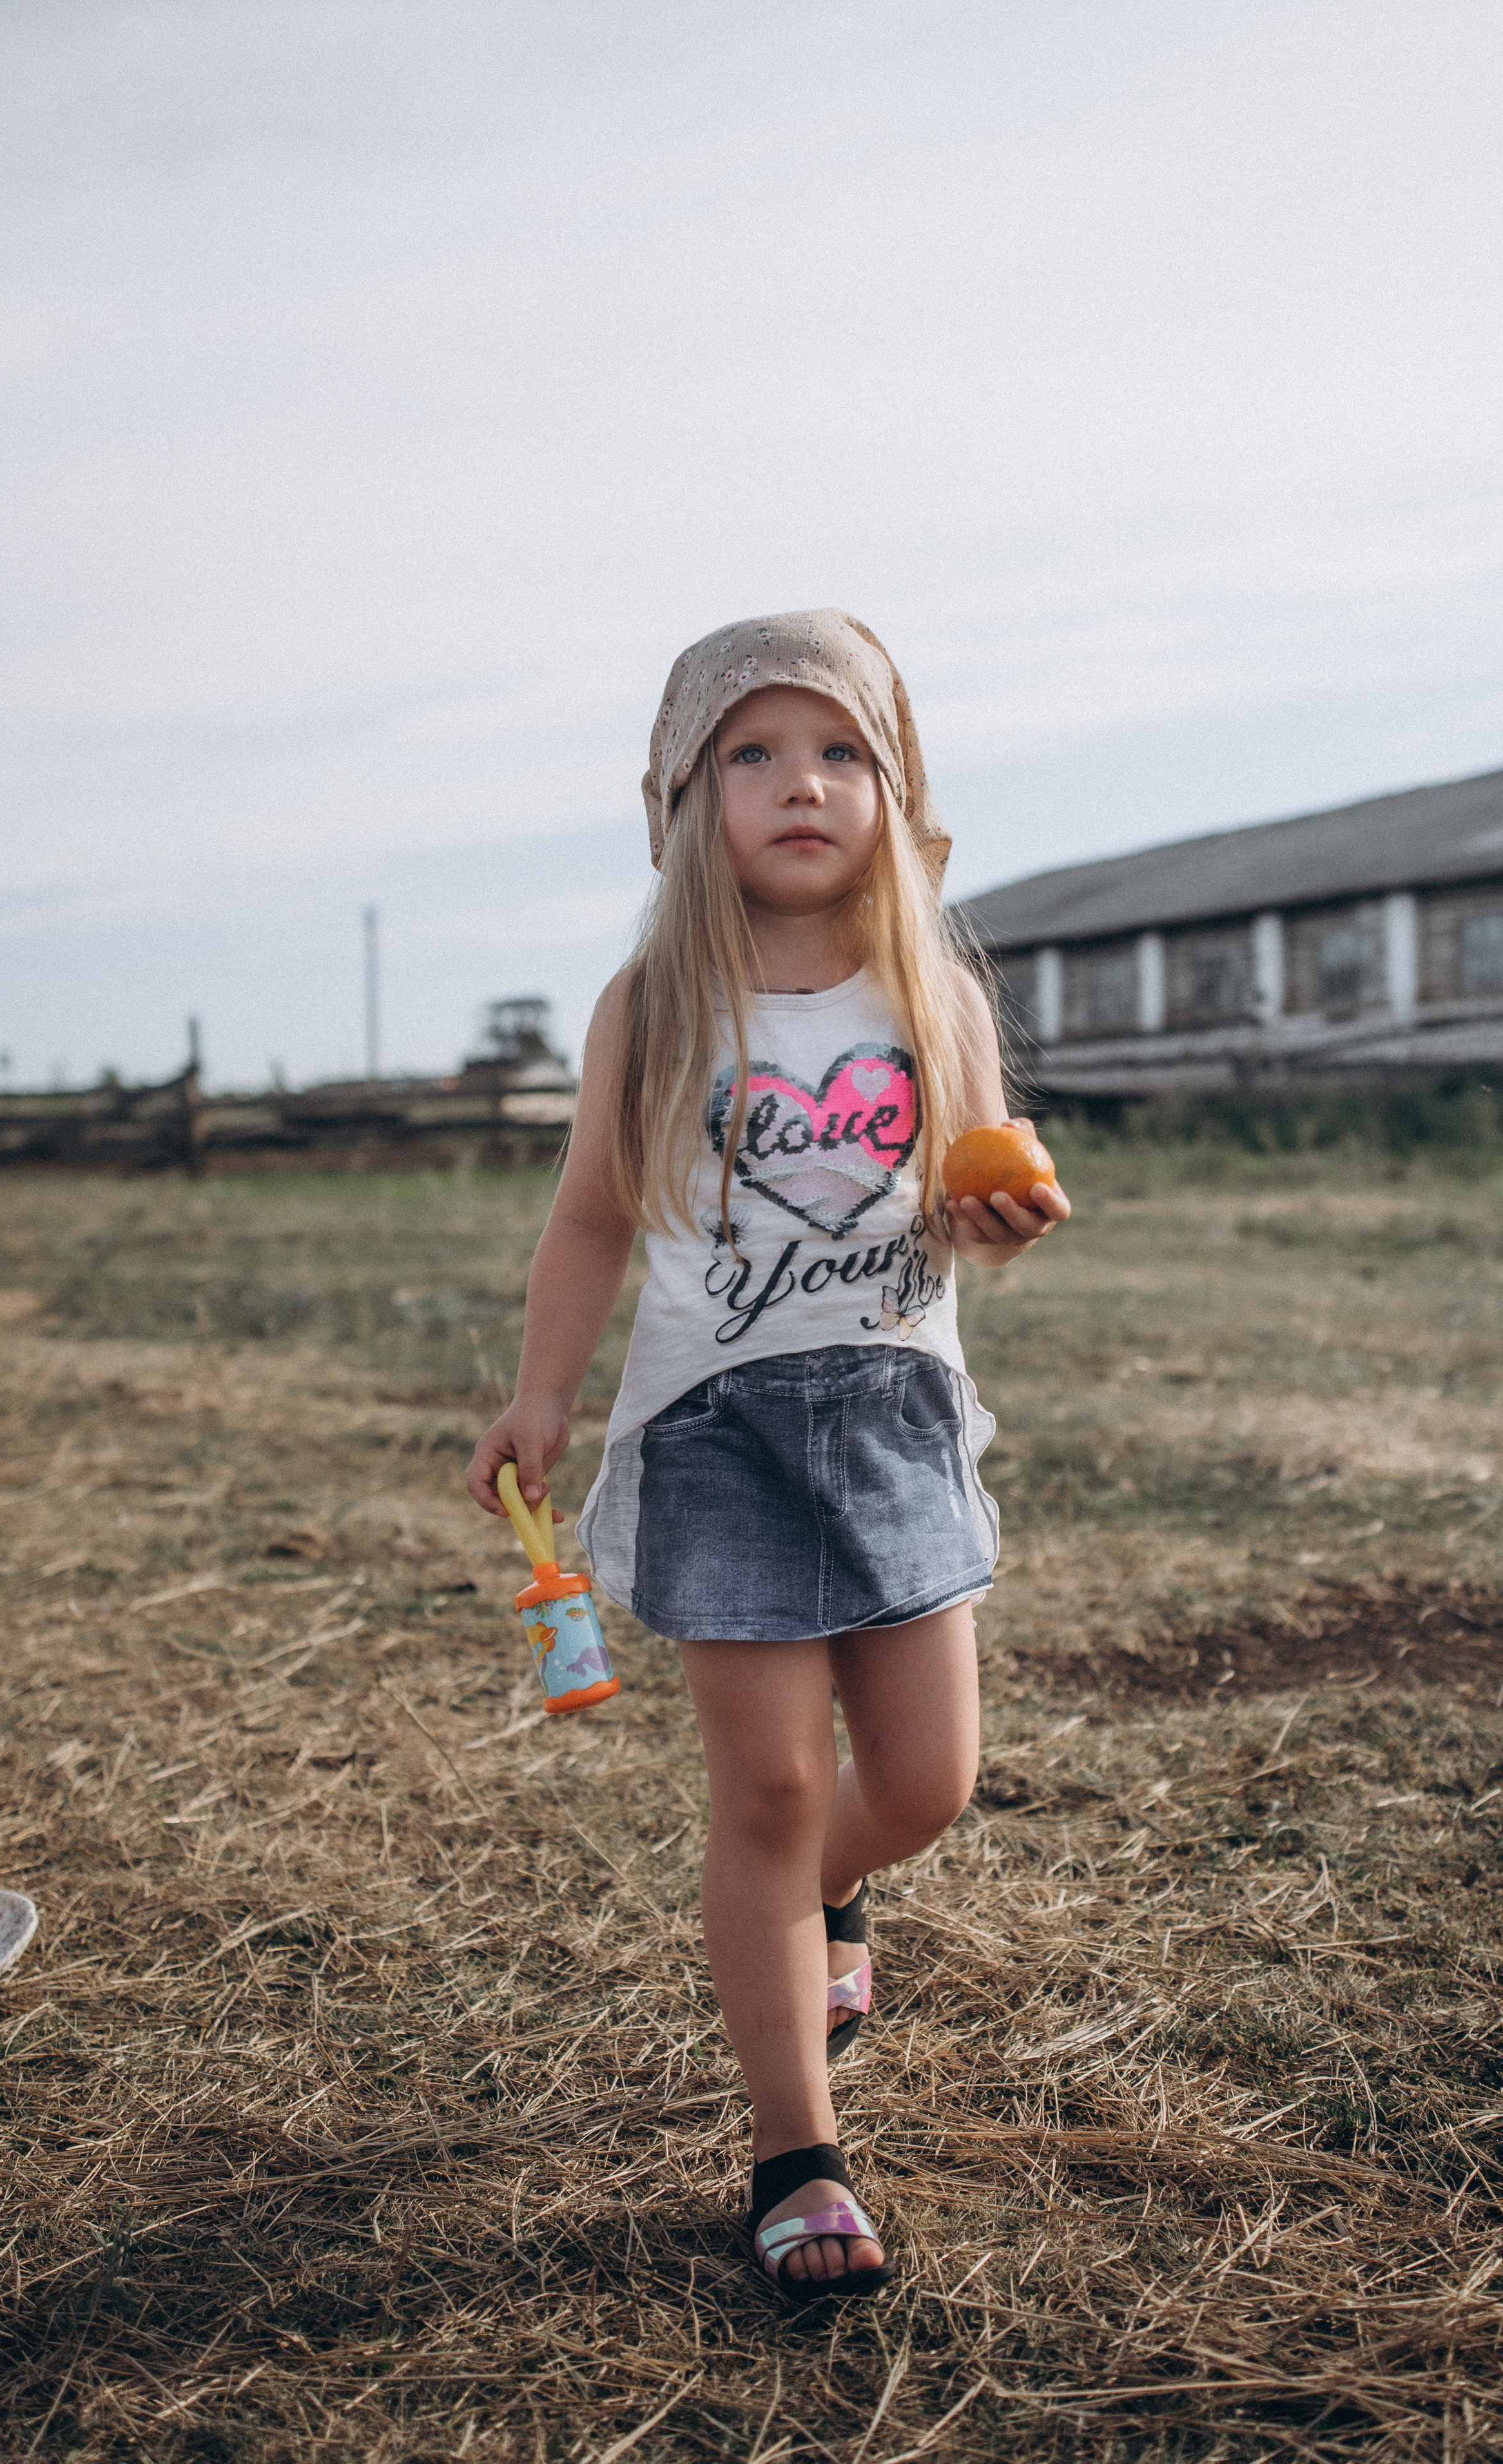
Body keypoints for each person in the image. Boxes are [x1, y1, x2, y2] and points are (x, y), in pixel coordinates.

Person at [467, 611, 1069, 2300]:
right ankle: (796, 2155)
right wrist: (541, 1395)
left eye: (838, 751)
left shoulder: (931, 994)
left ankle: (803, 1910)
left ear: (896, 789)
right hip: (718, 1431)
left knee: (928, 1781)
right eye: (751, 752)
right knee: (774, 1792)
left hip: (892, 1414)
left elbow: (971, 1200)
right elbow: (590, 1218)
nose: (797, 784)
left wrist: (1003, 1223)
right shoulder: (655, 1005)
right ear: (683, 799)